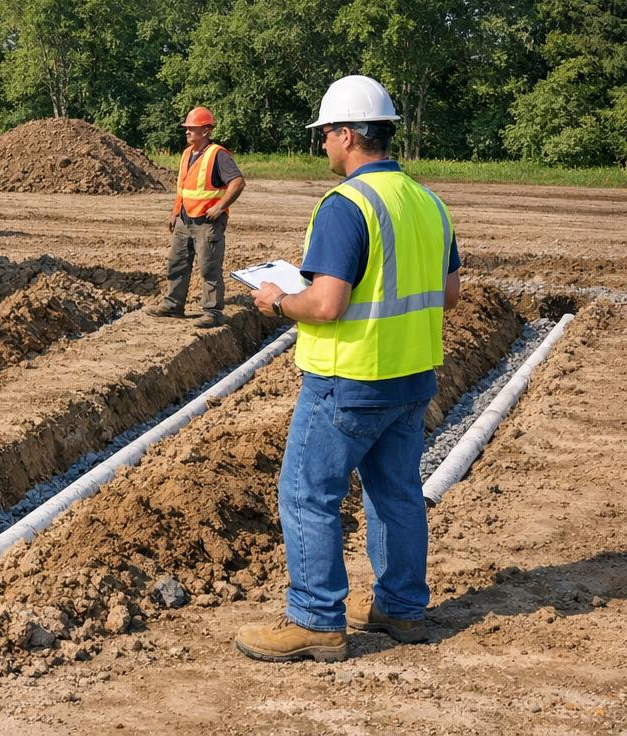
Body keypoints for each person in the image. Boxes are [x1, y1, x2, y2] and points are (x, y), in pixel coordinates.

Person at [234, 75, 461, 663]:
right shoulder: (428, 202)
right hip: (411, 378)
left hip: (349, 380)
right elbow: (450, 293)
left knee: (308, 494)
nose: (324, 148)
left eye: (326, 135)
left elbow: (327, 303)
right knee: (397, 494)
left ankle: (314, 618)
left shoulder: (346, 206)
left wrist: (277, 301)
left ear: (346, 134)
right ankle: (401, 608)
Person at [148, 106, 245, 328]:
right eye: (187, 128)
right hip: (184, 220)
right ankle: (173, 304)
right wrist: (174, 212)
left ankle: (212, 312)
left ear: (206, 130)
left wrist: (221, 207)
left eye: (192, 128)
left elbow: (238, 182)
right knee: (177, 263)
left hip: (207, 223)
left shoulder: (217, 154)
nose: (187, 132)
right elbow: (182, 189)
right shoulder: (186, 154)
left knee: (208, 267)